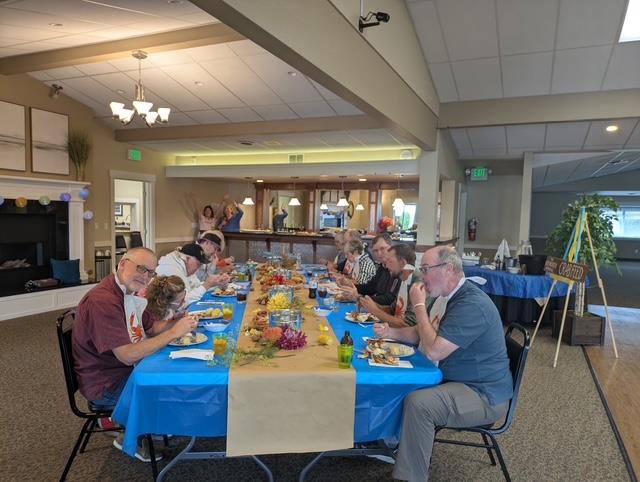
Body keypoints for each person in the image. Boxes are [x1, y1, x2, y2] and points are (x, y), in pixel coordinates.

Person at [374, 246, 513, 481]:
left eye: (426, 269)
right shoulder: (447, 297)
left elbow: (434, 350)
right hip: (459, 380)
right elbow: (420, 332)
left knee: (420, 404)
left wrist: (419, 306)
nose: (422, 276)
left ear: (448, 269)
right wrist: (390, 333)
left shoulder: (471, 304)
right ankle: (389, 440)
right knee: (397, 378)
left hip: (483, 393)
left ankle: (411, 476)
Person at [72, 247, 198, 462]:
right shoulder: (102, 301)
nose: (145, 276)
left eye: (150, 272)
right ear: (123, 264)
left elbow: (152, 327)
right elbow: (127, 356)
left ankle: (152, 423)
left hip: (125, 371)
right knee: (177, 383)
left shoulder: (126, 292)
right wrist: (174, 333)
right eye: (141, 269)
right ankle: (130, 436)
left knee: (180, 371)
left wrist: (176, 321)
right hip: (107, 384)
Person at [359, 243, 418, 327]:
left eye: (390, 261)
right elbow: (391, 310)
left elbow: (407, 325)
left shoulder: (417, 284)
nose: (386, 266)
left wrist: (375, 311)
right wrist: (370, 305)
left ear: (402, 263)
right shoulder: (403, 280)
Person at [155, 242, 229, 304]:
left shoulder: (186, 266)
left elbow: (196, 286)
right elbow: (184, 300)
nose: (198, 267)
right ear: (187, 258)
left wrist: (216, 284)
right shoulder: (172, 269)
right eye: (198, 264)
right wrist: (207, 285)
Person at [336, 233, 397, 305]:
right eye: (375, 251)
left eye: (382, 248)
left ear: (392, 247)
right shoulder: (382, 266)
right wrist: (349, 285)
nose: (379, 253)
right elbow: (370, 288)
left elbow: (388, 300)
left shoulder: (396, 269)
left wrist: (359, 297)